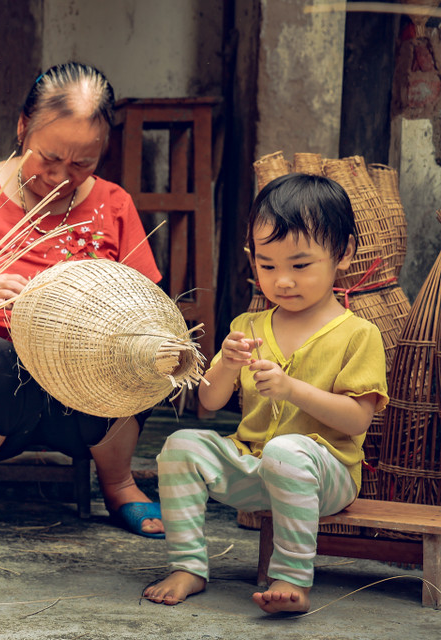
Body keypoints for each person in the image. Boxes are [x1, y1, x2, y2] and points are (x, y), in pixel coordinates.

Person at [0, 62, 165, 538]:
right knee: (2, 357)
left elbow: (148, 303)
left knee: (140, 359)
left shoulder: (114, 204)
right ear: (23, 127)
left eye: (83, 164)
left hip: (82, 387)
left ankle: (119, 482)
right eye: (49, 157)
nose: (62, 177)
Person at [142, 173, 389, 613]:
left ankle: (292, 577)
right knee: (180, 446)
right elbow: (209, 403)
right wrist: (226, 364)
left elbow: (357, 420)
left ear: (344, 253)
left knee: (286, 450)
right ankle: (188, 566)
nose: (283, 281)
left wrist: (292, 389)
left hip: (326, 475)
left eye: (300, 265)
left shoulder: (358, 334)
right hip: (254, 468)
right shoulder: (248, 326)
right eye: (268, 265)